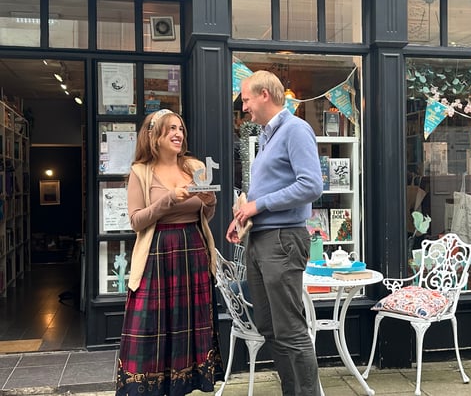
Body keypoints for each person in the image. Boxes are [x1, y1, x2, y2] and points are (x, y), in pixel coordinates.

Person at [226, 70, 322, 395]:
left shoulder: (296, 129)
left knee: (291, 330)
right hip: (261, 238)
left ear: (264, 95)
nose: (244, 107)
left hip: (282, 240)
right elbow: (271, 189)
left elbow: (311, 185)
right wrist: (243, 216)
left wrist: (258, 205)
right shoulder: (268, 135)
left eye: (247, 98)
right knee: (269, 328)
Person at [116, 109, 222, 396]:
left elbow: (205, 215)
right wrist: (167, 201)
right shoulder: (140, 171)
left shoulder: (194, 166)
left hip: (193, 251)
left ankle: (183, 385)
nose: (178, 134)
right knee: (151, 326)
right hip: (157, 255)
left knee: (189, 326)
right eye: (170, 129)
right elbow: (137, 221)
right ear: (153, 136)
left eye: (181, 128)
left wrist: (209, 201)